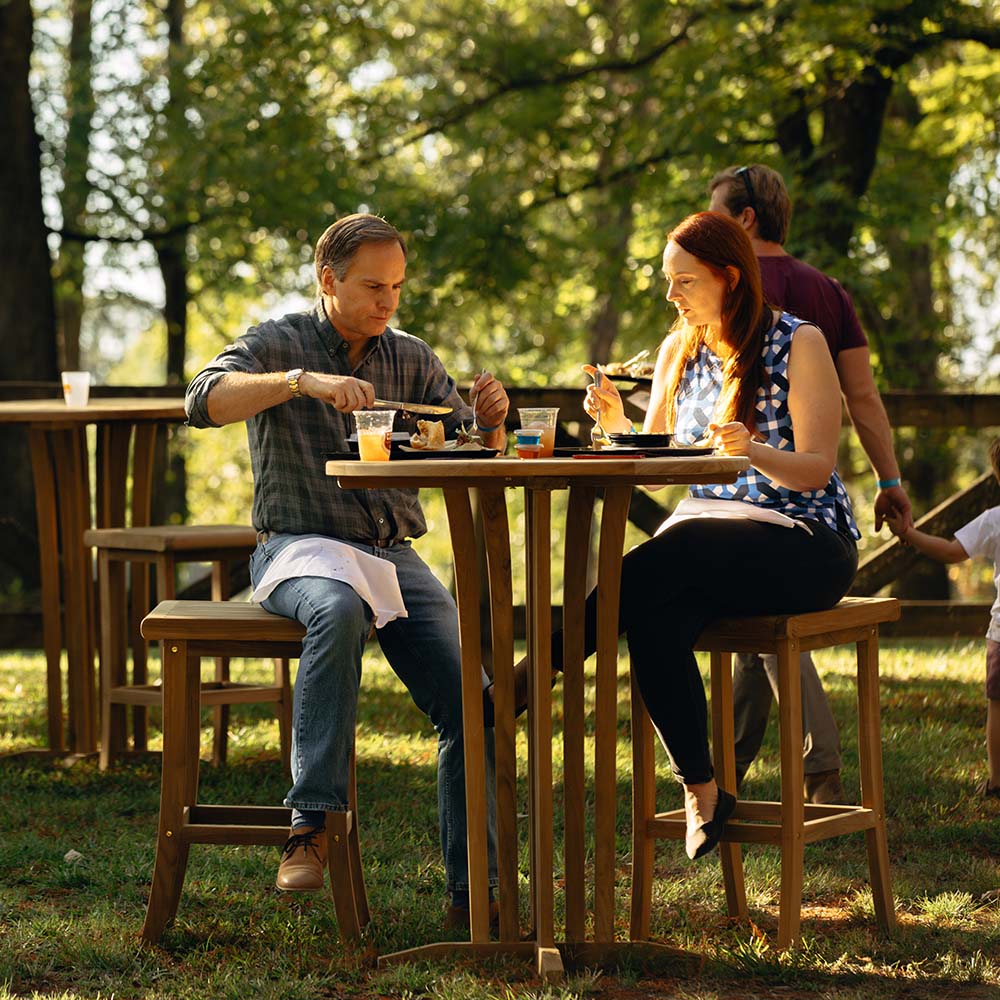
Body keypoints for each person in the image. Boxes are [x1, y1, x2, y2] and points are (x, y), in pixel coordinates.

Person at [185, 213, 509, 927]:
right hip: (300, 546)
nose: (388, 300)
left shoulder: (411, 356)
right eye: (372, 286)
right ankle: (310, 824)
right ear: (328, 279)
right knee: (335, 608)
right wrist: (302, 383)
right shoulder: (280, 340)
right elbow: (201, 401)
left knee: (474, 700)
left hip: (391, 554)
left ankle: (475, 898)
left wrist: (488, 420)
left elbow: (462, 442)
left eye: (396, 286)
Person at [578, 210, 860, 859]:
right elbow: (662, 457)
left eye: (683, 281)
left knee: (665, 557)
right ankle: (704, 792)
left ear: (728, 277)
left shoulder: (800, 340)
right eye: (667, 281)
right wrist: (619, 421)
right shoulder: (682, 348)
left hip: (804, 540)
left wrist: (754, 450)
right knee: (653, 614)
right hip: (714, 542)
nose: (670, 295)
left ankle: (537, 672)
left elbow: (818, 467)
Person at [707, 164, 913, 804]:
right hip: (820, 508)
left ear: (744, 220)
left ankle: (808, 759)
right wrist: (890, 477)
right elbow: (865, 398)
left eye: (715, 215)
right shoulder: (830, 290)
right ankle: (732, 772)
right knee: (754, 623)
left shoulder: (726, 285)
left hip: (754, 490)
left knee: (746, 606)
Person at [885, 438, 1000, 800]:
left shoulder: (994, 519)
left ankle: (998, 781)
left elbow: (951, 552)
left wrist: (908, 534)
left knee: (997, 707)